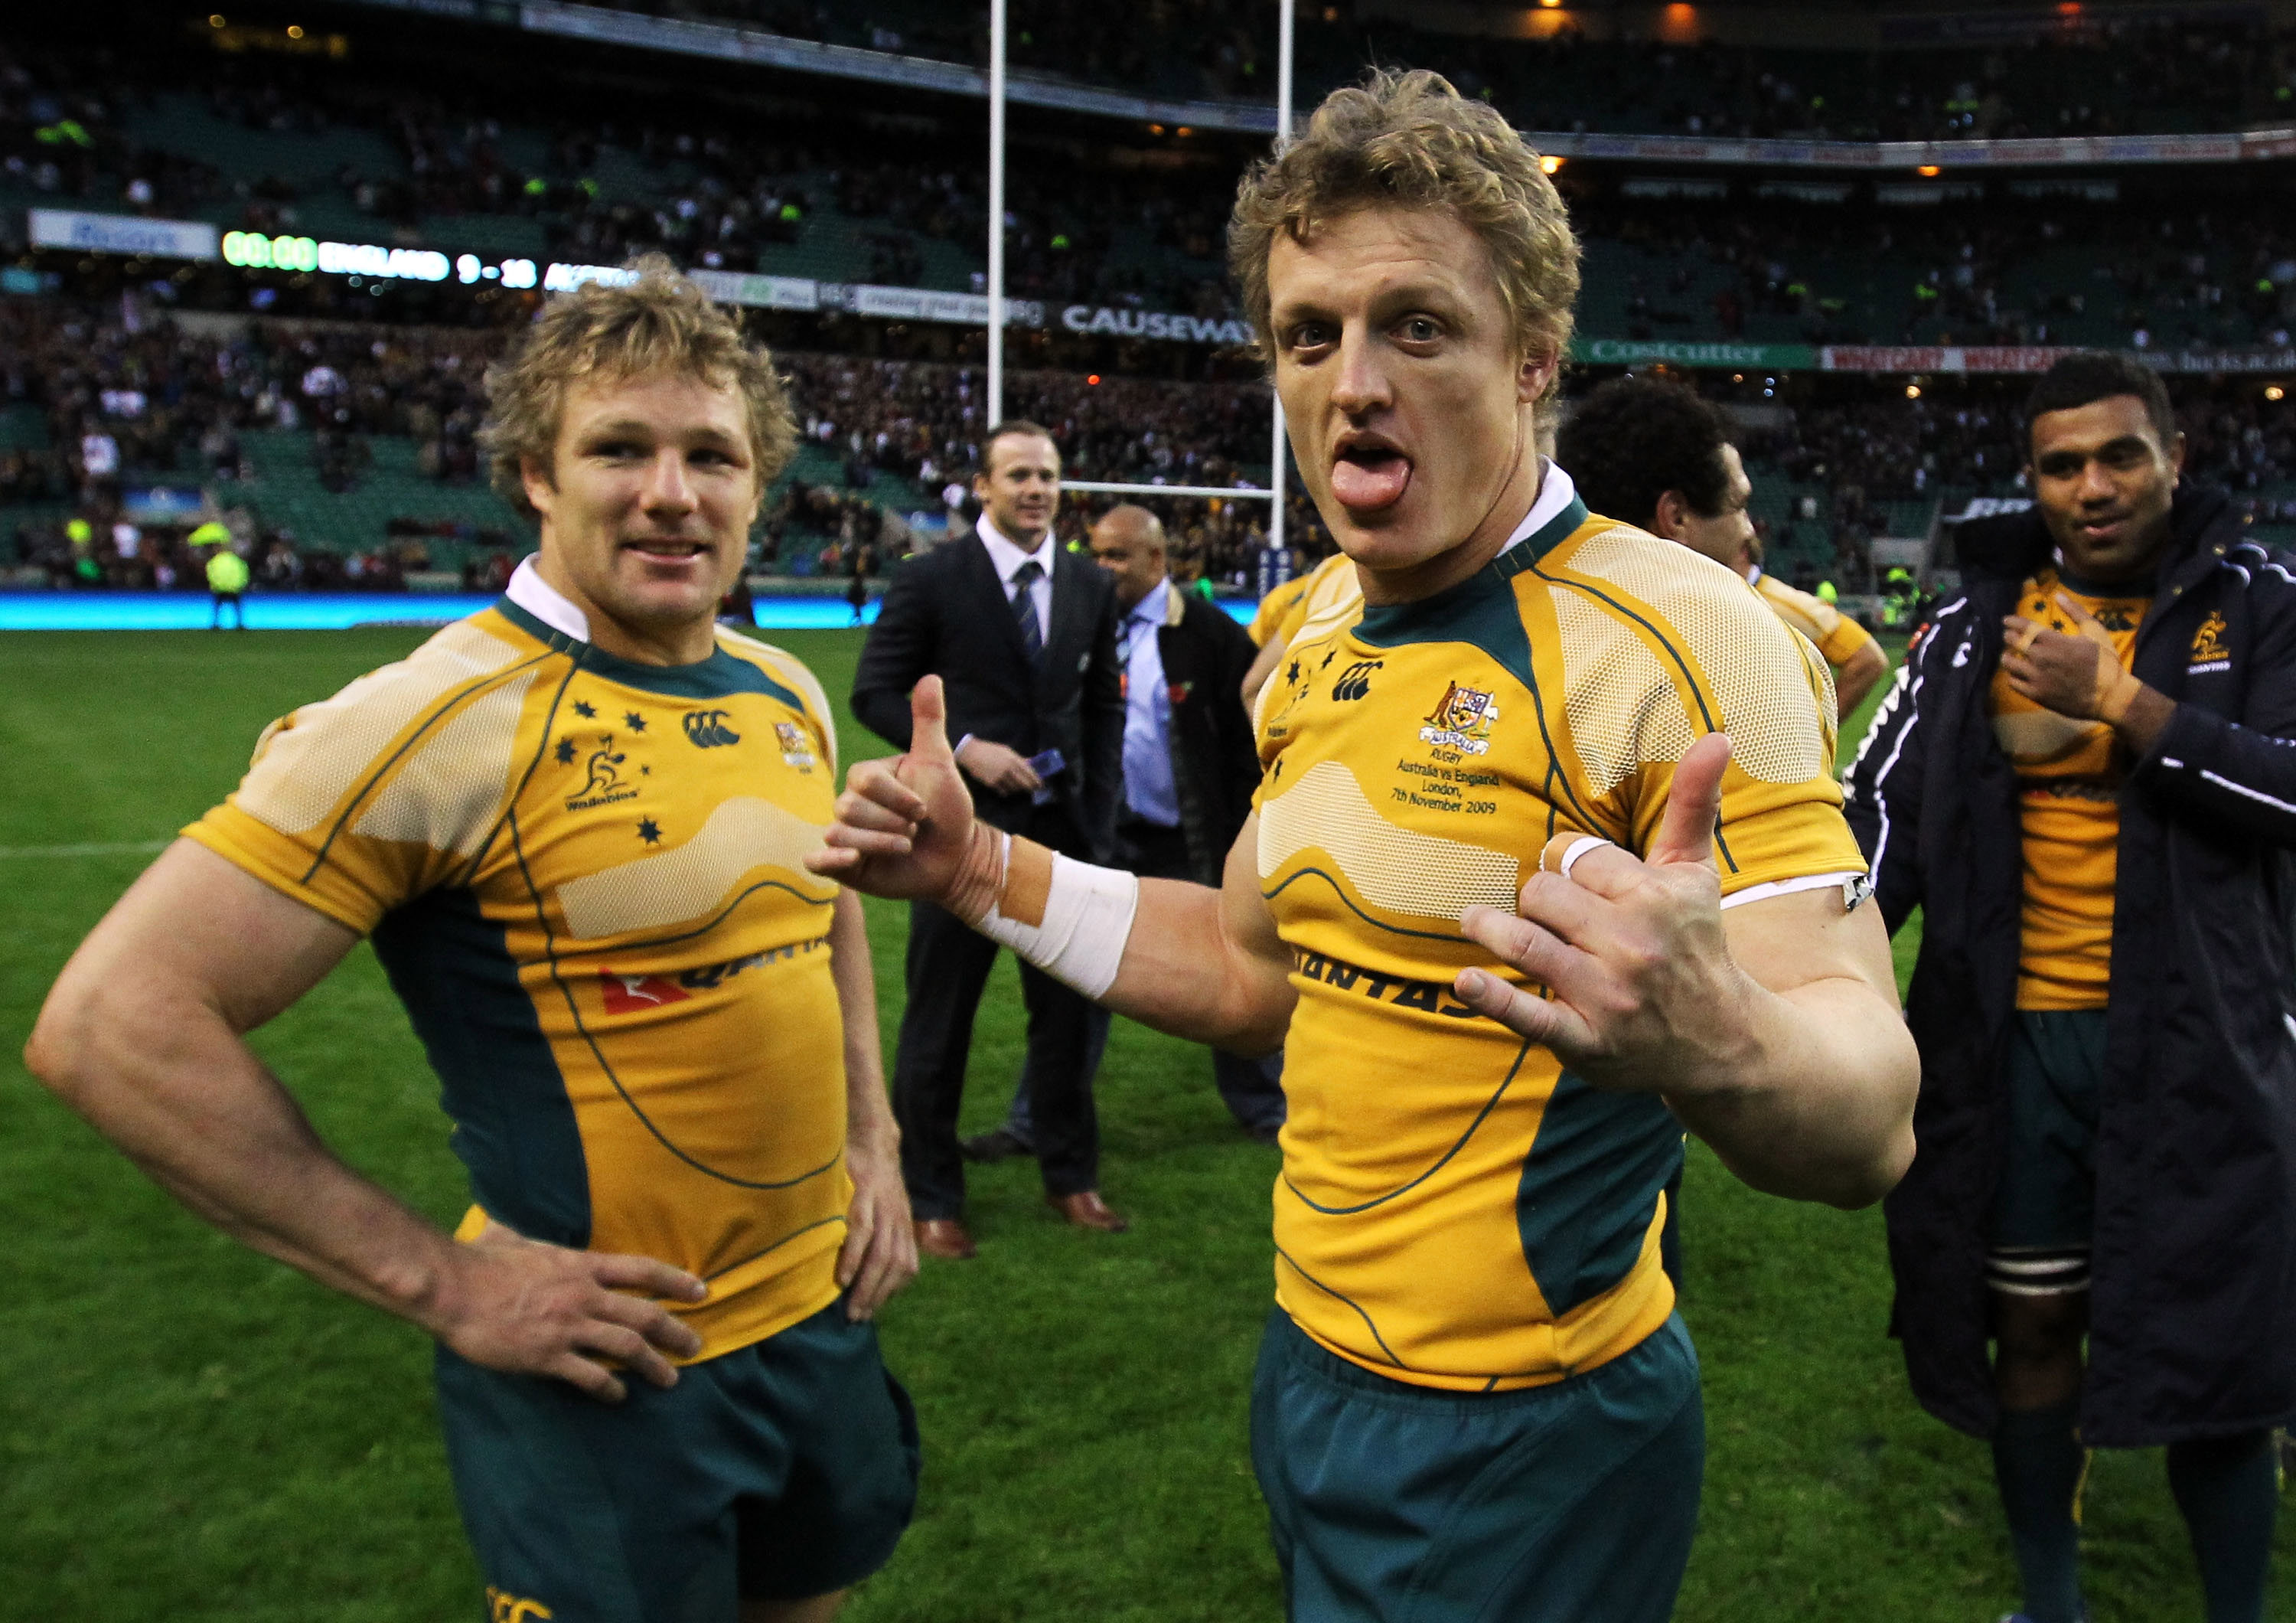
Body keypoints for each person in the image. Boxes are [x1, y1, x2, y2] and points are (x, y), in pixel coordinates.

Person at [812, 70, 1918, 1623]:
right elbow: (1255, 964)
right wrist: (978, 870)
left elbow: (1870, 1114)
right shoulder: (1319, 619)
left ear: (1533, 359)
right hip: (1313, 1372)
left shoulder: (1683, 638)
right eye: (1310, 333)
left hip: (1535, 1428)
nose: (1353, 379)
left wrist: (1718, 1035)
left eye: (1418, 324)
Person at [25, 260, 921, 1623]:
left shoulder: (780, 686)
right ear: (533, 476)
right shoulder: (432, 720)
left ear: (759, 484)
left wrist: (878, 1139)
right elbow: (110, 1024)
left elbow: (825, 903)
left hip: (817, 1326)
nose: (672, 492)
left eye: (711, 456)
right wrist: (442, 1281)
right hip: (616, 1376)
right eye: (620, 449)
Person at [1842, 351, 2294, 1623]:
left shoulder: (2257, 605)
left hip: (2205, 1043)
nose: (2092, 487)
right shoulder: (1974, 625)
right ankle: (2051, 1605)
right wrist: (1835, 959)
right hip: (2012, 1052)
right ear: (2032, 477)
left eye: (2120, 457)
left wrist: (2128, 706)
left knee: (2225, 1367)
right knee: (2028, 1331)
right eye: (2061, 464)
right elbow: (1881, 812)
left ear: (2174, 458)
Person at [850, 420, 1128, 1260]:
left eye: (1046, 474)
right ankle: (933, 1193)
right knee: (941, 1019)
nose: (1036, 488)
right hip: (954, 839)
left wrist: (1101, 817)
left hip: (1064, 837)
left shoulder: (1088, 583)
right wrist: (967, 749)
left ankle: (1070, 1173)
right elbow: (873, 689)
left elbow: (1103, 711)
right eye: (1018, 475)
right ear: (982, 486)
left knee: (1067, 1018)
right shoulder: (934, 577)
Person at [965, 504, 1285, 1161]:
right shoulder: (1080, 625)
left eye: (1118, 556)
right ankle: (1037, 1119)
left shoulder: (1211, 634)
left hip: (1197, 839)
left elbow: (1253, 741)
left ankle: (1264, 1107)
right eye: (1096, 553)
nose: (1102, 567)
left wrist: (1245, 830)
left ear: (1158, 561)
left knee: (1238, 966)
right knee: (1080, 973)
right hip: (1104, 835)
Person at [1558, 375, 1888, 716]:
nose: (1749, 529)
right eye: (1738, 506)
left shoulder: (1545, 633)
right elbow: (1867, 657)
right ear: (1676, 518)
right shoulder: (1719, 665)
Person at [205, 539, 249, 630]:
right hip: (234, 588)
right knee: (236, 607)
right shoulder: (235, 560)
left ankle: (216, 624)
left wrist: (215, 585)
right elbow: (243, 572)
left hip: (220, 589)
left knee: (218, 607)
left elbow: (211, 574)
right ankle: (239, 624)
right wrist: (241, 584)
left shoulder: (215, 561)